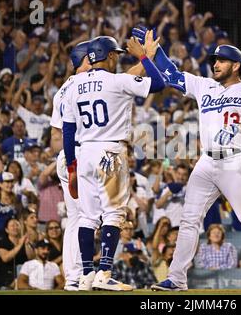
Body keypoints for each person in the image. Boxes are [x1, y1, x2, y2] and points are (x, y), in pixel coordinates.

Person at [132, 26, 241, 291]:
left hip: (236, 161)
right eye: (215, 60)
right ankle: (177, 278)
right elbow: (172, 75)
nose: (216, 64)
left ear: (236, 66)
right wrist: (155, 51)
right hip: (207, 161)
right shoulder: (204, 85)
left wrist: (239, 127)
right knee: (189, 218)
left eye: (222, 61)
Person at [62, 33, 165, 291]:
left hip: (83, 151)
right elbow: (159, 84)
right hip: (110, 150)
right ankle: (105, 272)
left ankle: (86, 274)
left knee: (87, 216)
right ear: (109, 56)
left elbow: (67, 130)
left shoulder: (72, 85)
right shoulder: (118, 80)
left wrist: (72, 166)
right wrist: (142, 56)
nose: (117, 59)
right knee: (114, 213)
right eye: (116, 55)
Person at [50, 41, 91, 291]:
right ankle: (80, 275)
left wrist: (66, 158)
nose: (95, 61)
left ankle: (74, 277)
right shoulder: (84, 83)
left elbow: (55, 136)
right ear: (83, 61)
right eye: (91, 58)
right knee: (84, 216)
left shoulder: (62, 90)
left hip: (68, 155)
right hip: (77, 154)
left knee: (77, 217)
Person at [0, 217, 35, 289]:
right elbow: (5, 258)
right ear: (6, 230)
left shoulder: (24, 242)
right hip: (5, 278)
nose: (15, 227)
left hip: (23, 277)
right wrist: (19, 245)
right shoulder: (2, 243)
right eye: (12, 225)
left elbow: (31, 258)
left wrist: (26, 244)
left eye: (17, 225)